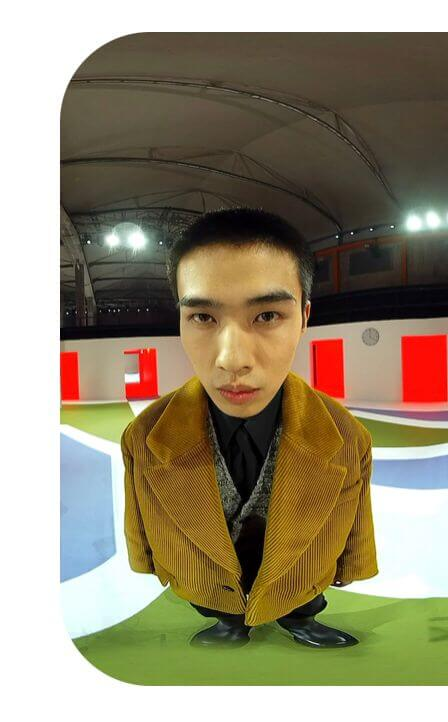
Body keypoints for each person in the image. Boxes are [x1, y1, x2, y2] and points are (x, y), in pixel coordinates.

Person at [121, 208, 377, 648]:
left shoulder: (346, 434)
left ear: (304, 317)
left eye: (267, 316)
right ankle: (228, 619)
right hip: (204, 582)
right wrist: (146, 559)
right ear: (180, 319)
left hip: (301, 578)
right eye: (203, 317)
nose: (232, 359)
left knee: (302, 592)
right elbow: (140, 517)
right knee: (214, 598)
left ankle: (300, 617)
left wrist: (353, 564)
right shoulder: (145, 435)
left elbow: (356, 519)